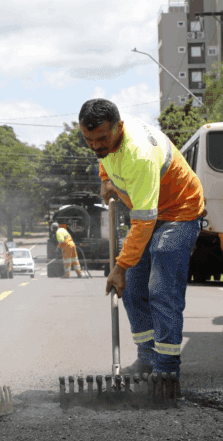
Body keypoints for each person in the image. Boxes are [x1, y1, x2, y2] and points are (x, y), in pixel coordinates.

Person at [78, 98, 205, 382]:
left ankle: (166, 370)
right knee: (133, 289)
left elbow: (145, 221)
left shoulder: (139, 154)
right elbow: (106, 159)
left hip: (178, 211)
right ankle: (147, 359)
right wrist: (105, 180)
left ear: (118, 127)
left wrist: (120, 267)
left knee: (162, 290)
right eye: (88, 140)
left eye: (101, 139)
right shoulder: (106, 139)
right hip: (149, 211)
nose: (95, 146)